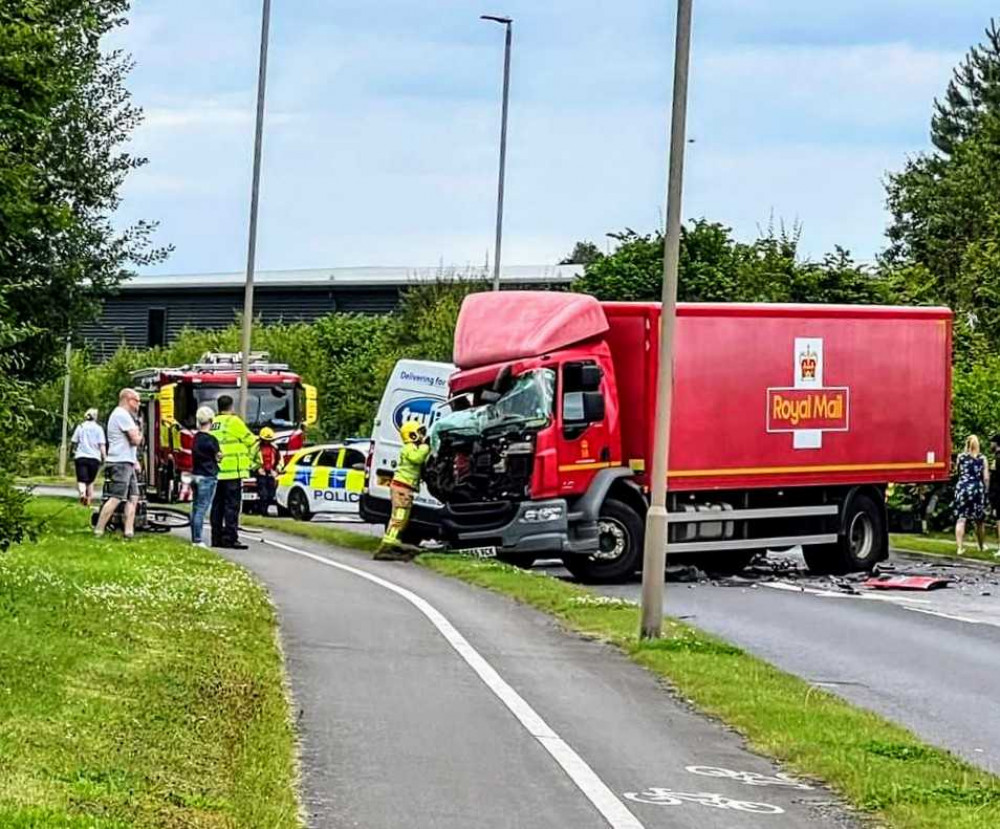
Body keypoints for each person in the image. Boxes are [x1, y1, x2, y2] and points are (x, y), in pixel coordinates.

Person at [374, 420, 431, 561]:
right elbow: (416, 459)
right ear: (412, 435)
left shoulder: (412, 447)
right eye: (420, 433)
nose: (422, 436)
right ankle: (387, 546)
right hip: (402, 487)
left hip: (404, 487)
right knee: (398, 518)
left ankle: (392, 543)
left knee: (402, 518)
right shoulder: (410, 447)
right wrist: (426, 446)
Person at [209, 394, 259, 550]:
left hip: (217, 472)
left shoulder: (213, 423)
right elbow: (252, 441)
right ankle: (230, 538)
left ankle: (216, 538)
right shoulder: (234, 422)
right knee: (232, 507)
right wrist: (251, 461)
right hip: (233, 473)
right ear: (231, 407)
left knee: (217, 506)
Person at [94, 389, 143, 539]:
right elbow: (135, 440)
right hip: (120, 462)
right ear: (129, 400)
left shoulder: (124, 415)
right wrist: (139, 431)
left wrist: (134, 461)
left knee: (133, 496)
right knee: (116, 497)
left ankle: (128, 531)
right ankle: (99, 529)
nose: (139, 404)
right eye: (137, 401)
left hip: (127, 461)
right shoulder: (122, 415)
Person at [190, 406, 222, 548]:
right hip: (208, 475)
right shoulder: (212, 440)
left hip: (196, 474)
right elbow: (219, 456)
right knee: (203, 508)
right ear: (211, 420)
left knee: (196, 507)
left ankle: (194, 537)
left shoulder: (195, 438)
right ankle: (197, 540)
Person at [954, 434, 989, 556]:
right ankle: (981, 545)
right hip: (976, 489)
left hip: (962, 488)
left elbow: (958, 471)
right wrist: (986, 490)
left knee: (961, 518)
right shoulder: (982, 458)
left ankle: (959, 547)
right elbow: (985, 477)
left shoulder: (961, 457)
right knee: (979, 520)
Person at [71, 408, 106, 506]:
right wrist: (104, 457)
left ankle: (82, 494)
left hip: (81, 456)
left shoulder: (80, 427)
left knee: (81, 479)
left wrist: (72, 451)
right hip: (94, 458)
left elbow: (74, 441)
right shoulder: (99, 429)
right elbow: (102, 445)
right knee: (90, 481)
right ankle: (89, 500)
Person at [254, 426, 283, 517]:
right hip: (261, 473)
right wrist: (257, 468)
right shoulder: (256, 448)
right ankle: (263, 512)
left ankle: (264, 510)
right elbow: (250, 460)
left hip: (271, 473)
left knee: (271, 494)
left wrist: (277, 469)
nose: (267, 441)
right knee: (263, 494)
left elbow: (280, 460)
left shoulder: (275, 448)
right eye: (265, 439)